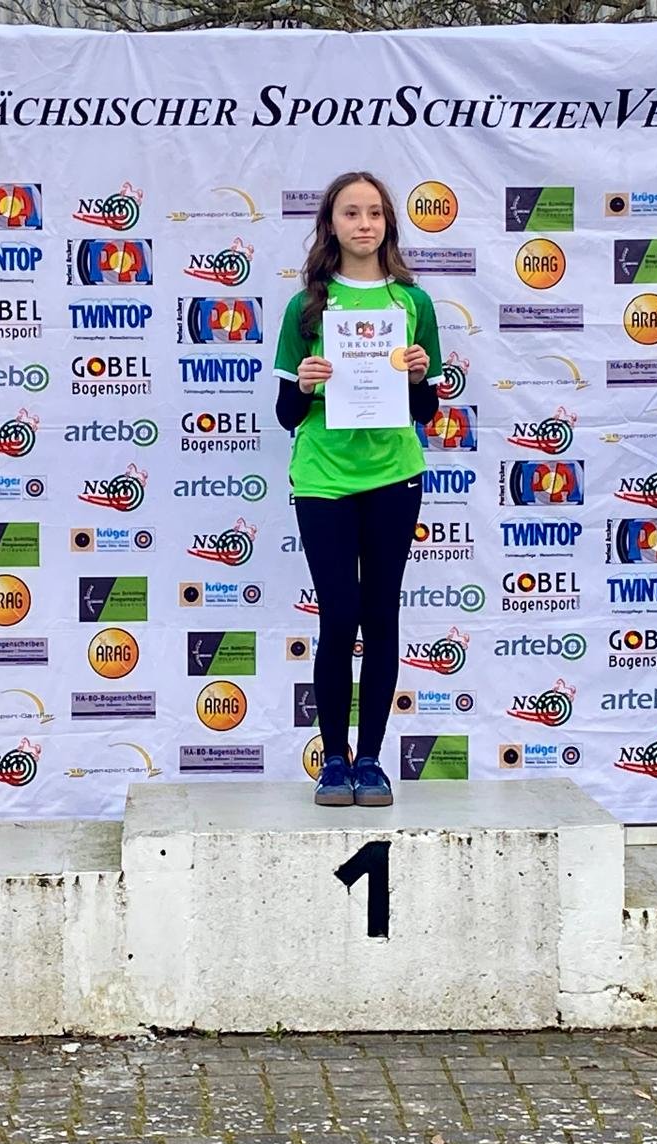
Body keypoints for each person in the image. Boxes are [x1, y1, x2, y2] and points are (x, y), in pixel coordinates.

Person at [273, 171, 442, 807]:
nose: (364, 223)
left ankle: (370, 758)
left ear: (388, 222)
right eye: (351, 212)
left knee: (381, 614)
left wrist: (420, 379)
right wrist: (305, 384)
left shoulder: (413, 303)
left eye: (374, 212)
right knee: (339, 615)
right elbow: (287, 414)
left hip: (394, 475)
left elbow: (425, 412)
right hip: (323, 476)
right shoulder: (307, 307)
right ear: (331, 224)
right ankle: (333, 761)